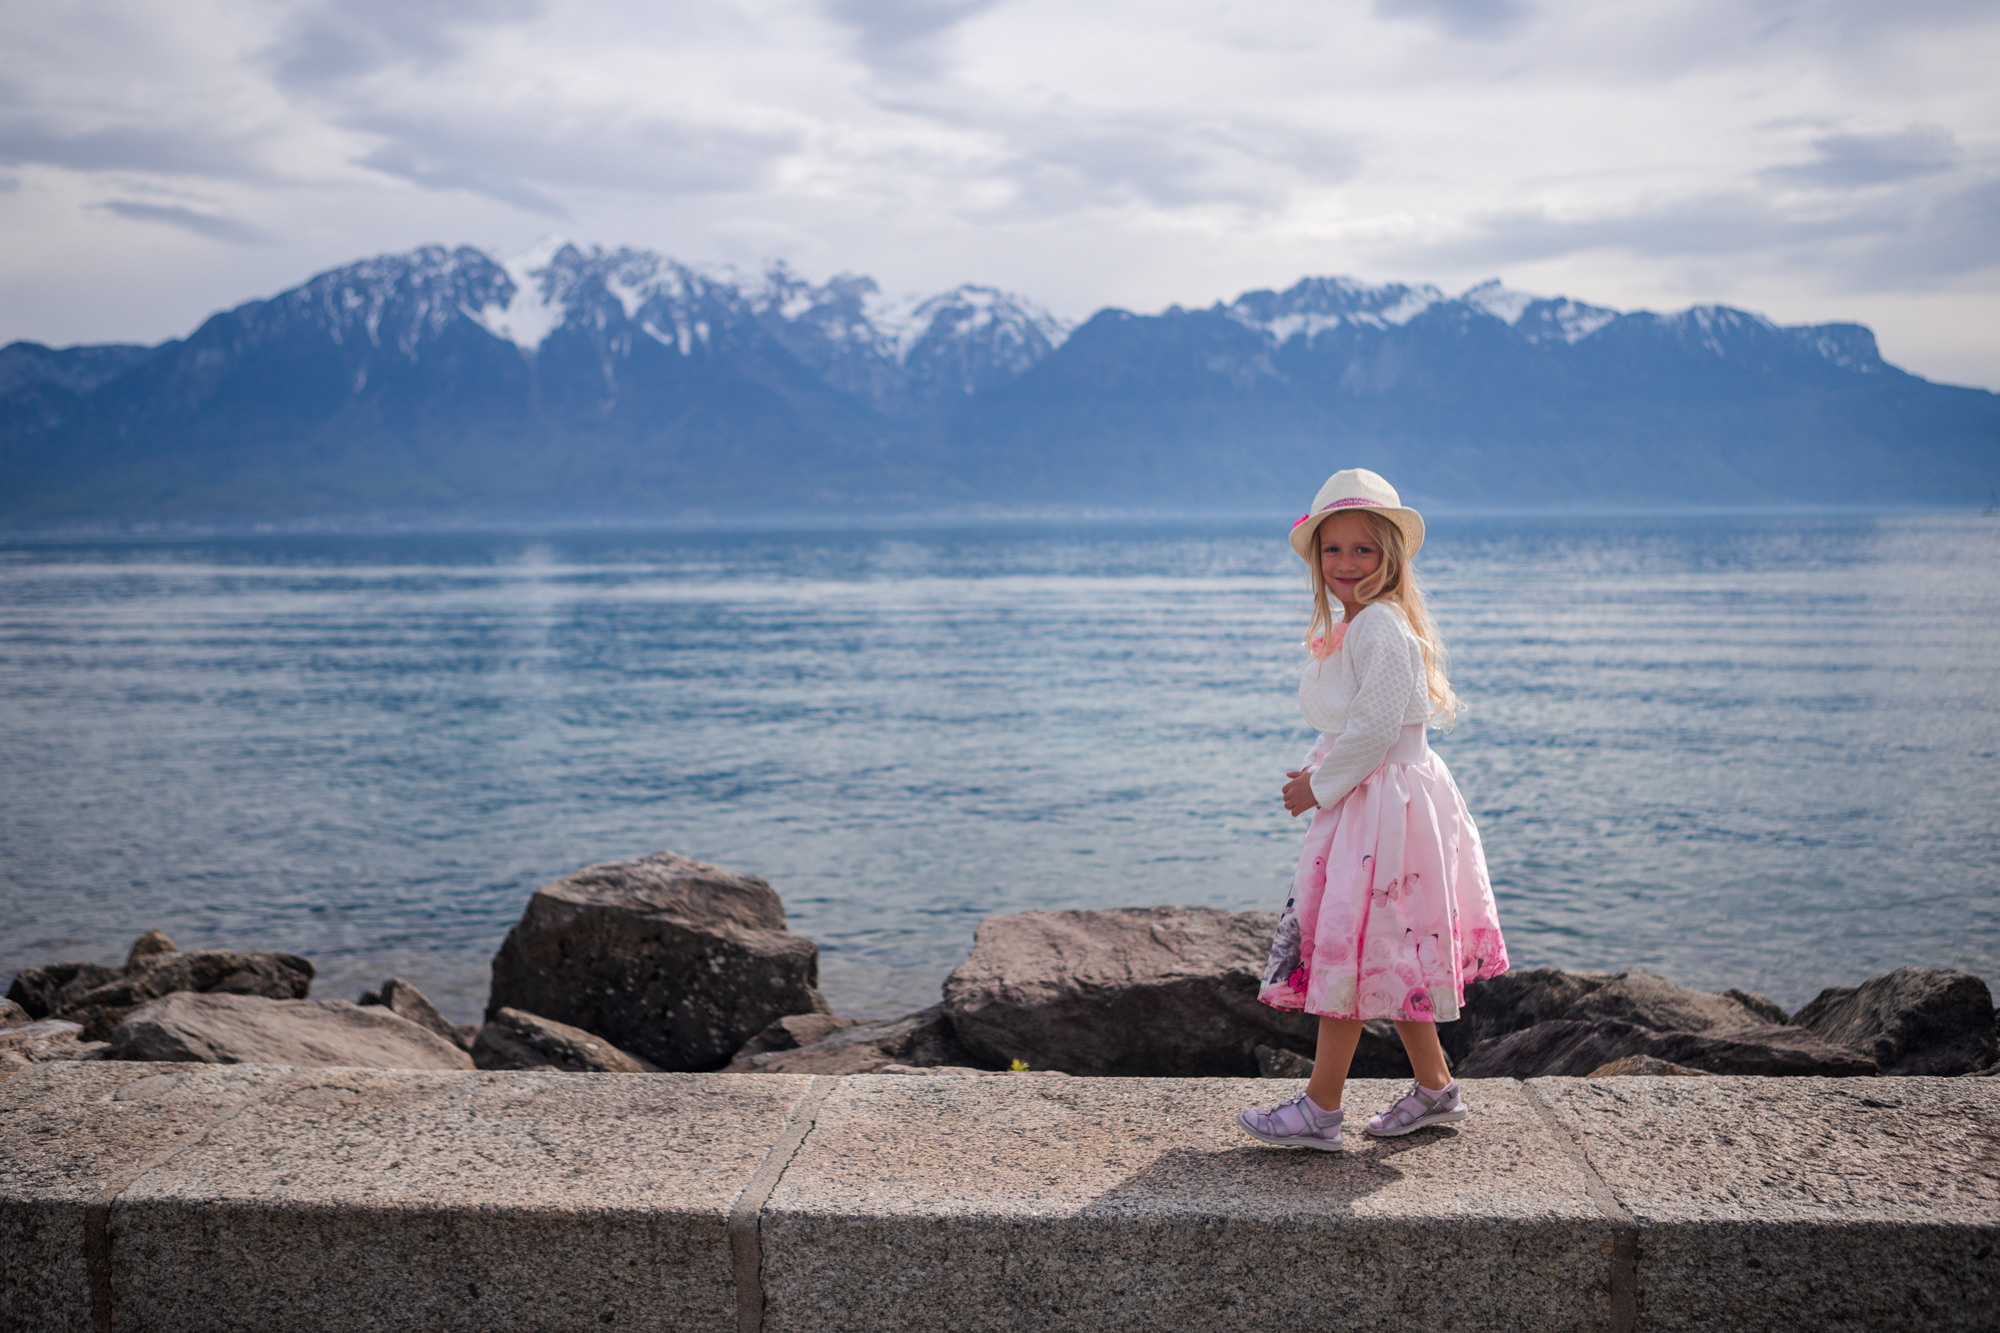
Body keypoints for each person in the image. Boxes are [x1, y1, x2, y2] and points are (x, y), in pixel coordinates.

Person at [1239, 467, 1509, 1150]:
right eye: (1333, 549)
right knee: (1390, 947)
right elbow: (1360, 726)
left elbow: (1376, 731)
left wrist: (1318, 786)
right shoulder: (1366, 624)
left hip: (1382, 811)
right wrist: (1321, 768)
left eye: (1363, 549)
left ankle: (1320, 1107)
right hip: (1386, 803)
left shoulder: (1379, 625)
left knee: (1350, 952)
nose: (1347, 563)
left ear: (1390, 555)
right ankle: (1436, 1088)